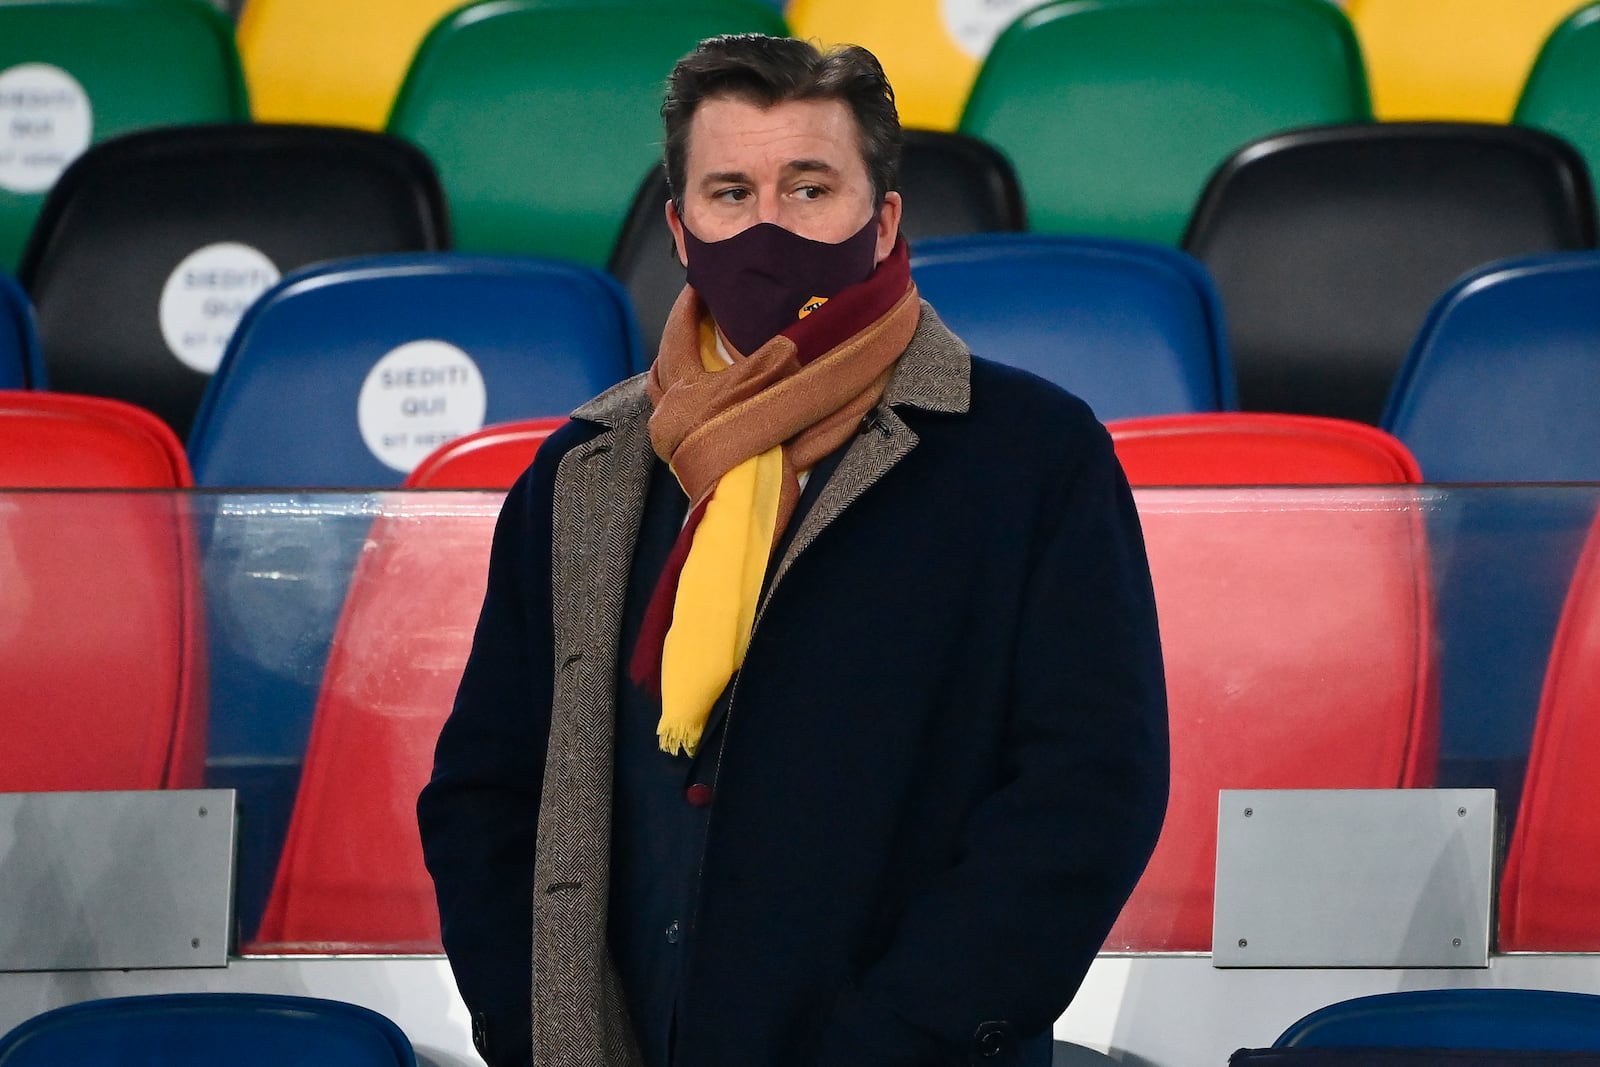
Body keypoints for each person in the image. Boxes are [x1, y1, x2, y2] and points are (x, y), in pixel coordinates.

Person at [418, 33, 1168, 1067]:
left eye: (809, 189)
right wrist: (534, 1018)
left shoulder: (1030, 453)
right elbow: (485, 785)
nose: (767, 228)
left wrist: (907, 1033)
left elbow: (1088, 791)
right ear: (680, 231)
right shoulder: (582, 470)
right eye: (730, 193)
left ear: (884, 217)